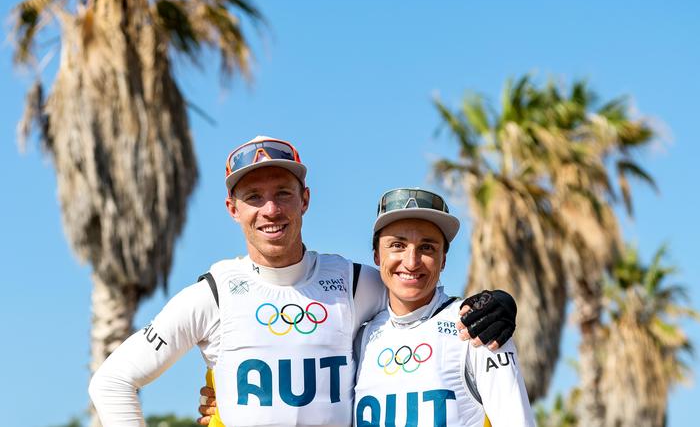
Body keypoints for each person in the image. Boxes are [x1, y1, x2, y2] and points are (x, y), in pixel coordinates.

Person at [89, 136, 517, 427]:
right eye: (253, 197)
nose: (270, 210)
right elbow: (111, 382)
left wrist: (495, 305)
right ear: (231, 208)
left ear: (305, 200)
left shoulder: (352, 283)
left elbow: (417, 298)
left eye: (283, 193)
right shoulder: (213, 295)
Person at [353, 187, 534, 426]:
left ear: (444, 260)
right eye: (397, 245)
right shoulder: (360, 338)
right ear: (376, 256)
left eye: (427, 247)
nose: (411, 262)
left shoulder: (478, 326)